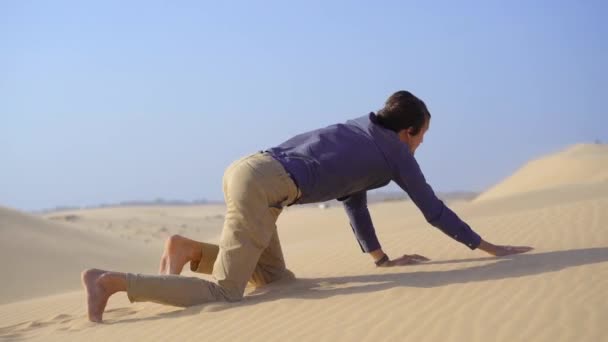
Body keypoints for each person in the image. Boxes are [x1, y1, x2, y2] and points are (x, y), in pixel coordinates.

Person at [82, 90, 533, 322]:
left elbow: (353, 200)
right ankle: (112, 282)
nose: (420, 146)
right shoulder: (395, 153)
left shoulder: (364, 131)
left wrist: (380, 259)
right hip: (264, 185)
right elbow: (432, 209)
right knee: (226, 293)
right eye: (422, 137)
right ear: (407, 133)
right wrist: (487, 247)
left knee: (276, 279)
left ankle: (189, 250)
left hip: (253, 171)